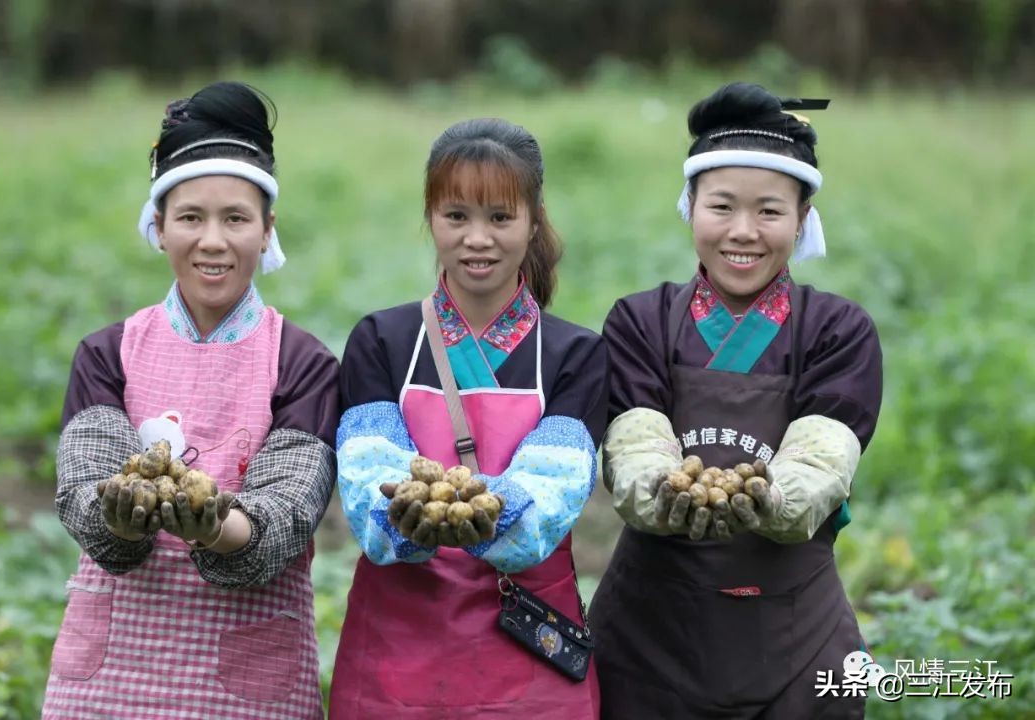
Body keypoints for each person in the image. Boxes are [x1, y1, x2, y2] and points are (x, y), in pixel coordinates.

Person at [43, 81, 338, 719]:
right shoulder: (107, 352)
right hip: (109, 680)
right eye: (190, 218)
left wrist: (215, 525)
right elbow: (86, 488)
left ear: (266, 230)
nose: (213, 241)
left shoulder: (304, 363)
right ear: (159, 227)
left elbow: (286, 514)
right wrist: (119, 517)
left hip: (247, 682)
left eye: (236, 218)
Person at [588, 82, 884, 718]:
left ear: (802, 219)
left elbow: (823, 454)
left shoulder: (837, 329)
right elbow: (633, 445)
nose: (743, 232)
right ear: (690, 206)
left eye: (770, 212)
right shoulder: (640, 322)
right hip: (648, 640)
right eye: (721, 207)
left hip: (797, 638)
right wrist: (660, 491)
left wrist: (775, 499)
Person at [328, 118, 608, 718]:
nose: (477, 238)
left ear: (534, 222)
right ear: (430, 219)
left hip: (528, 652)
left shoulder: (574, 354)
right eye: (456, 216)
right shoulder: (381, 340)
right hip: (397, 655)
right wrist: (408, 514)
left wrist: (476, 512)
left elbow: (553, 487)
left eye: (499, 218)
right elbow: (365, 473)